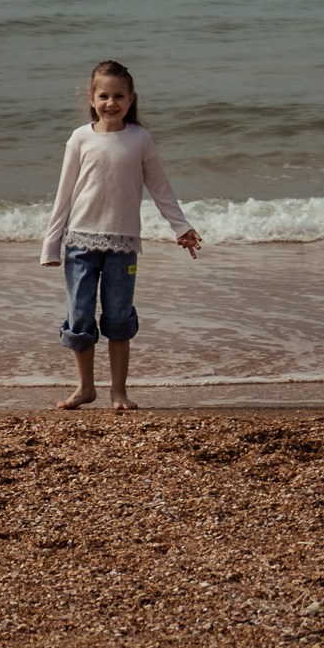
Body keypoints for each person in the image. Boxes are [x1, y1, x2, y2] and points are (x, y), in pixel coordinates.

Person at [40, 59, 201, 412]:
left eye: (118, 96)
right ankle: (85, 388)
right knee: (79, 316)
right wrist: (51, 244)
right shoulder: (80, 138)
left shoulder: (140, 139)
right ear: (91, 98)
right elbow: (63, 194)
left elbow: (161, 188)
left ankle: (118, 391)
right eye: (104, 96)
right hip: (80, 243)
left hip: (123, 245)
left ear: (131, 99)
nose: (110, 103)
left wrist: (181, 226)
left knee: (119, 318)